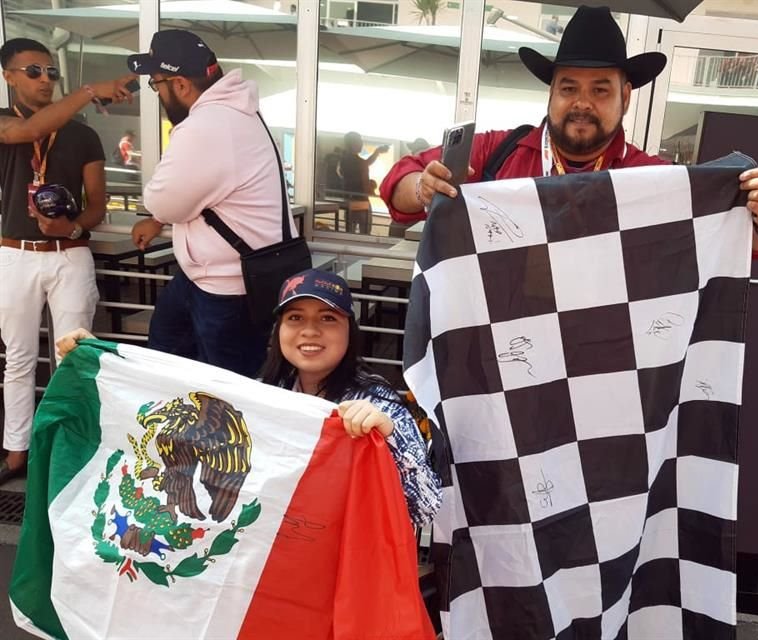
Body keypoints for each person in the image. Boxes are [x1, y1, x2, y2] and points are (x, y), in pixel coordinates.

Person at [381, 5, 758, 258]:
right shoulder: (494, 151)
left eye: (600, 90)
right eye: (569, 88)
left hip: (600, 364)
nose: (582, 103)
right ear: (551, 92)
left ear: (625, 97)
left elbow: (738, 246)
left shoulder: (656, 178)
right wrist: (423, 187)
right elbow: (397, 185)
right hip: (493, 355)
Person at [56, 269, 442, 526]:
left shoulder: (377, 403)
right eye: (295, 318)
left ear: (349, 332)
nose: (310, 331)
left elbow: (425, 509)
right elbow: (177, 404)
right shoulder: (261, 396)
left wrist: (387, 435)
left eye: (327, 319)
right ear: (278, 331)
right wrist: (103, 361)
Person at [0, 38, 135, 484]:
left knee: (72, 359)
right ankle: (16, 451)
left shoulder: (82, 133)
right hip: (15, 254)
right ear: (8, 76)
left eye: (51, 72)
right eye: (33, 71)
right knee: (18, 358)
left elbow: (96, 202)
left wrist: (74, 228)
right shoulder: (5, 122)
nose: (45, 79)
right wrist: (91, 90)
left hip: (70, 255)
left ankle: (65, 450)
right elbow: (27, 133)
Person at [126, 30, 298, 378]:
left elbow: (163, 198)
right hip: (209, 278)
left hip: (226, 291)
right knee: (166, 368)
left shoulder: (208, 125)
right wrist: (159, 218)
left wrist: (160, 211)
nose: (158, 94)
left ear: (180, 85)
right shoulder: (240, 112)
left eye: (156, 84)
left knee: (222, 398)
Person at [340, 131, 389, 234]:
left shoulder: (343, 160)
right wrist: (373, 187)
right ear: (353, 144)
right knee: (365, 234)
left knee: (349, 234)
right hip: (361, 202)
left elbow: (365, 164)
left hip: (348, 201)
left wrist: (377, 152)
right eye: (359, 141)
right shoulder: (361, 163)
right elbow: (366, 187)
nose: (362, 144)